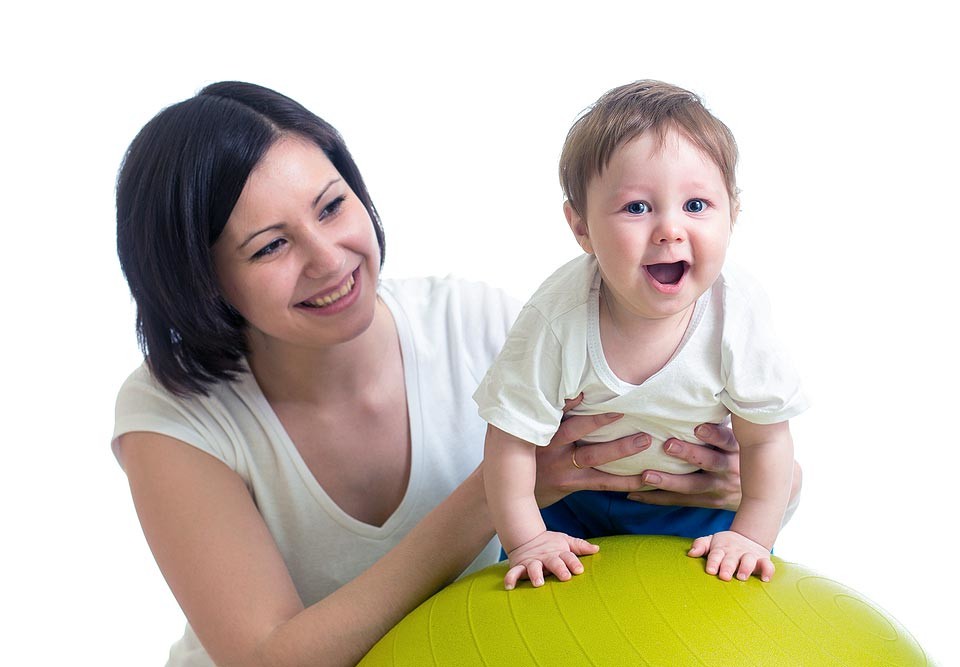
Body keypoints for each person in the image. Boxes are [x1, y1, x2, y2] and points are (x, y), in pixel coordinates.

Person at [113, 81, 802, 666]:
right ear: (201, 281)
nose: (329, 259)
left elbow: (723, 470)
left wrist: (723, 478)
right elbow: (270, 657)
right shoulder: (172, 415)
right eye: (270, 246)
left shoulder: (475, 322)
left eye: (331, 206)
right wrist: (504, 489)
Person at [476, 80, 808, 591]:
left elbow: (766, 439)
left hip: (696, 506)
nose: (670, 229)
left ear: (734, 214)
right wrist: (527, 539)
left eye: (696, 205)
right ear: (580, 226)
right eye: (637, 208)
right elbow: (509, 443)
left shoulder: (736, 312)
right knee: (542, 590)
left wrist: (752, 536)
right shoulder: (557, 316)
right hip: (571, 505)